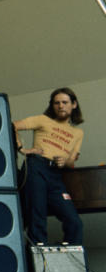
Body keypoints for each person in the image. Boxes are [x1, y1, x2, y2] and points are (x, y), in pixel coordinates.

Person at [13, 87, 84, 246]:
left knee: (75, 222)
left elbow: (71, 160)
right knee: (37, 218)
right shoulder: (43, 120)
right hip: (36, 167)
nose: (60, 106)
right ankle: (39, 266)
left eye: (65, 102)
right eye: (56, 103)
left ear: (74, 104)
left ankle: (69, 265)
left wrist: (64, 162)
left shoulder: (78, 133)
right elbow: (13, 125)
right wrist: (21, 149)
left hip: (56, 174)